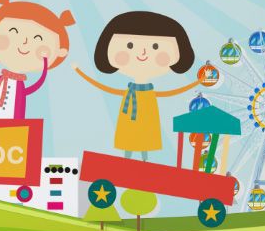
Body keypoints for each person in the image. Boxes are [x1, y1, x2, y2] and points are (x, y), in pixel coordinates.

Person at [73, 11, 198, 160]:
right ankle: (127, 159)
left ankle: (144, 160)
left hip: (147, 116)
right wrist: (79, 72)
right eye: (129, 45)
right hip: (128, 118)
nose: (143, 53)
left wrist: (197, 82)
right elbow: (102, 87)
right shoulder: (131, 91)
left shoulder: (147, 92)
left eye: (156, 46)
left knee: (145, 136)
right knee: (129, 136)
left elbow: (173, 92)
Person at [0, 0, 74, 119]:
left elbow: (38, 84)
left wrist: (45, 62)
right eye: (14, 31)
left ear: (59, 52)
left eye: (38, 38)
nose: (25, 42)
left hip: (14, 126)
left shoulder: (19, 87)